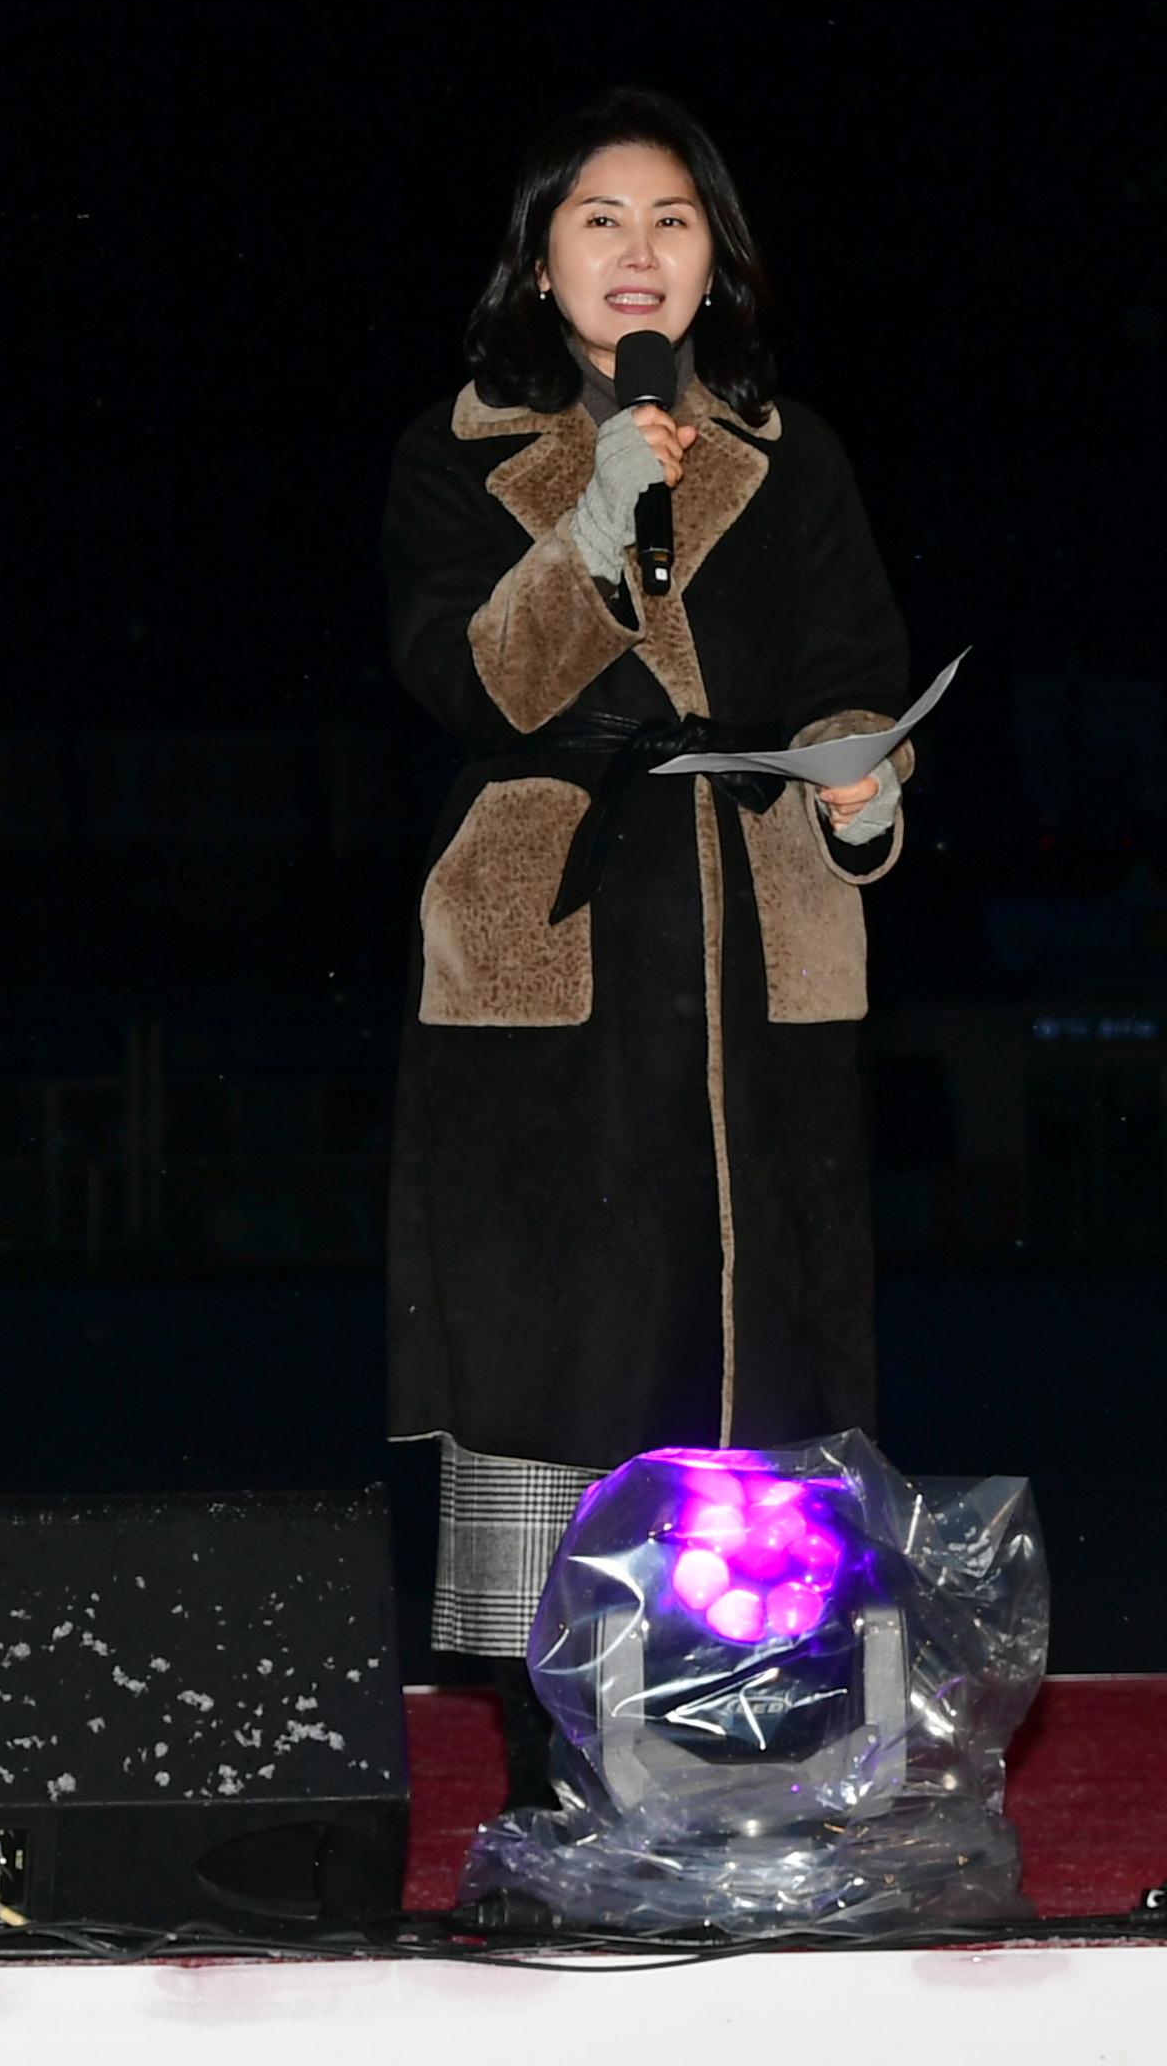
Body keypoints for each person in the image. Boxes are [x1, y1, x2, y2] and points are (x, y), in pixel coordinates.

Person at [381, 87, 915, 1808]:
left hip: (761, 929)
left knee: (771, 1334)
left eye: (671, 221)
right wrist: (598, 510)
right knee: (566, 1344)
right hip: (552, 941)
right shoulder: (453, 455)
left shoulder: (796, 453)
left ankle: (768, 1737)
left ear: (716, 263)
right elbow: (480, 683)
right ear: (541, 263)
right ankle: (568, 1757)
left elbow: (850, 660)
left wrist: (863, 780)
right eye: (599, 219)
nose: (636, 251)